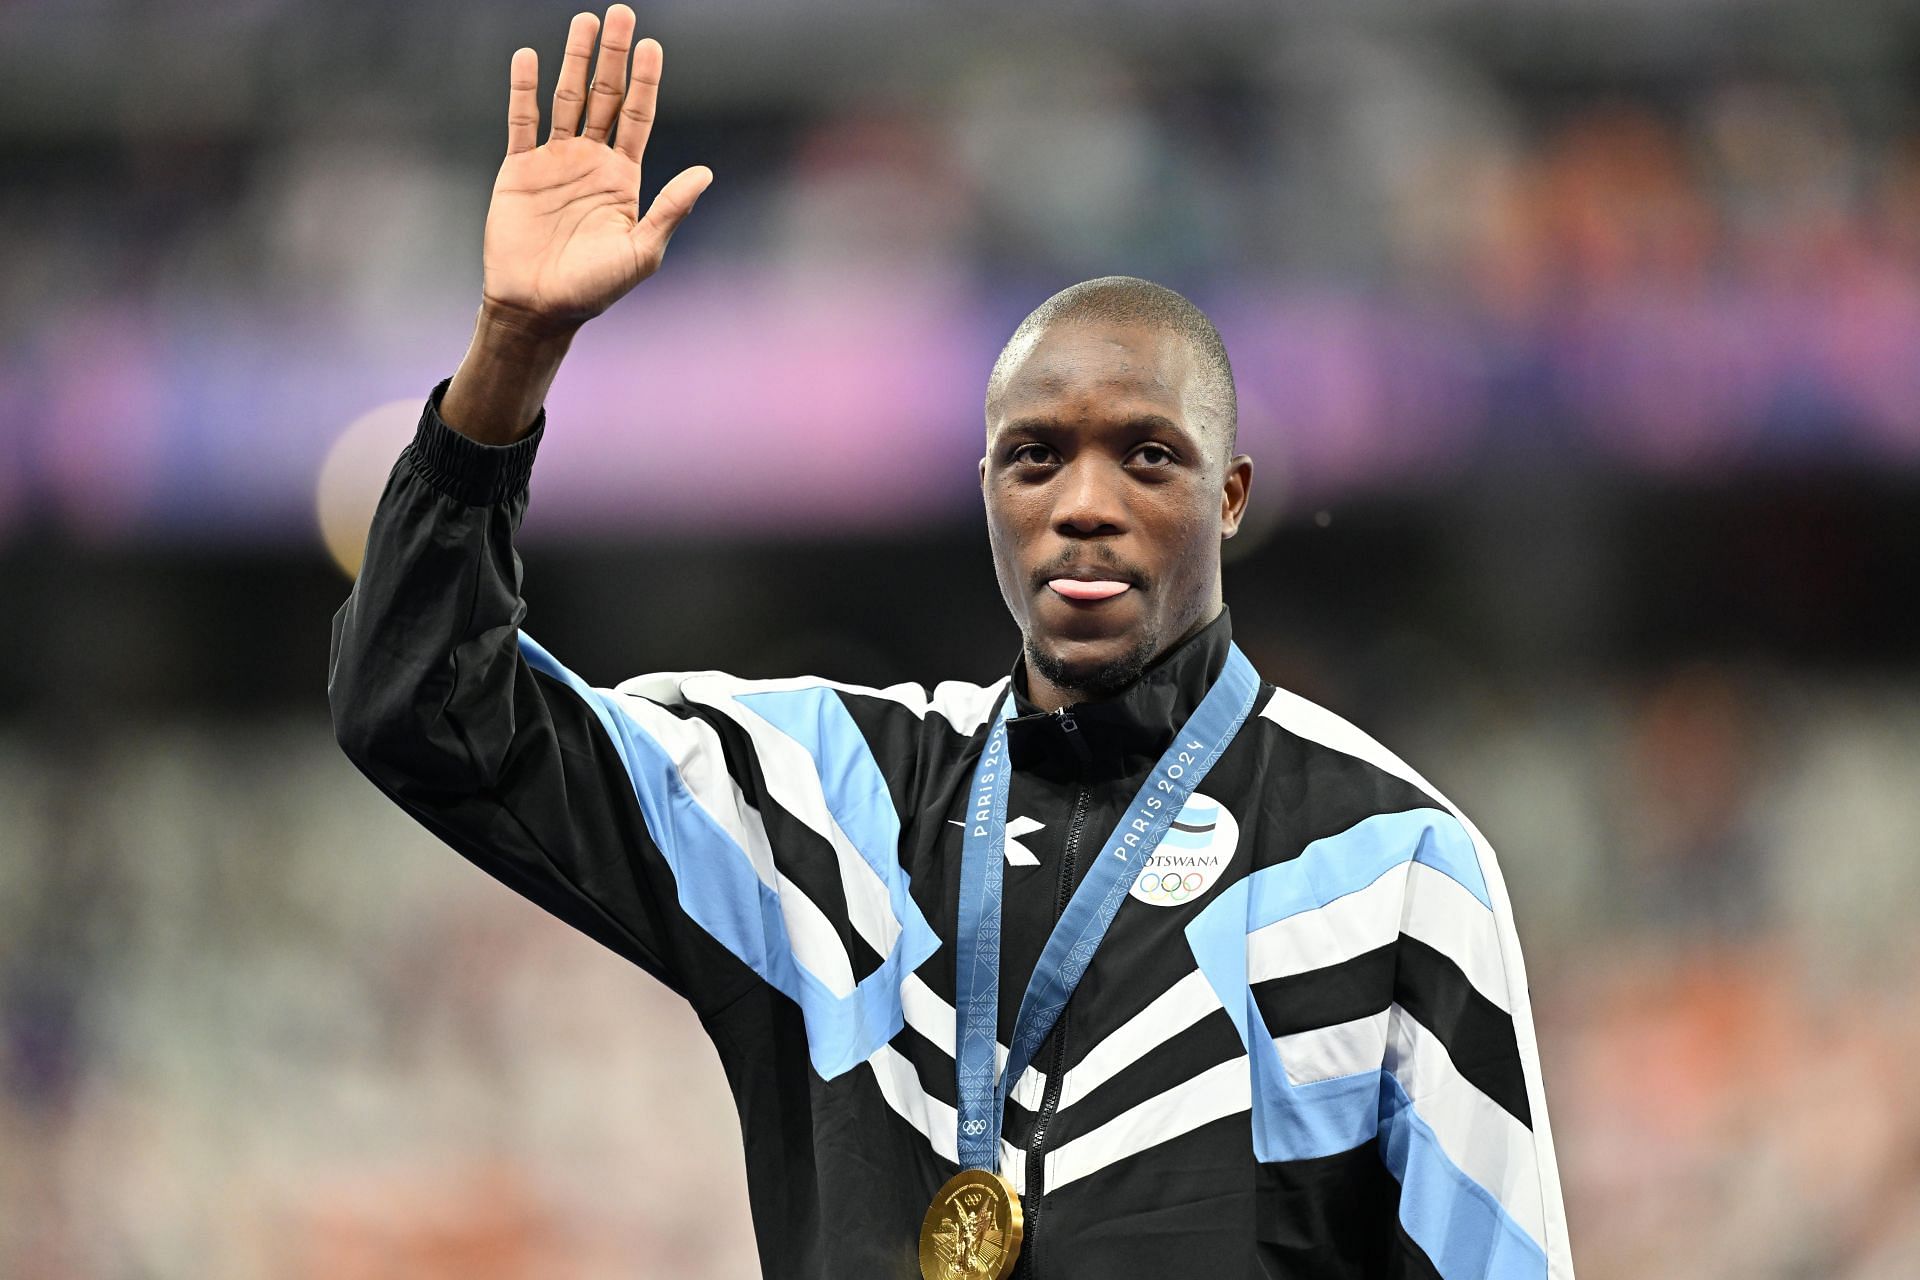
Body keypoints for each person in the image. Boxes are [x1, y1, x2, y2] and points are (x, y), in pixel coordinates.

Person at [328, 7, 1576, 1278]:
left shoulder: (1393, 865)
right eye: (1037, 457)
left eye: (1149, 455)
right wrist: (510, 357)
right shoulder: (821, 808)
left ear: (1234, 496)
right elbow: (424, 708)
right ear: (987, 486)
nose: (1085, 502)